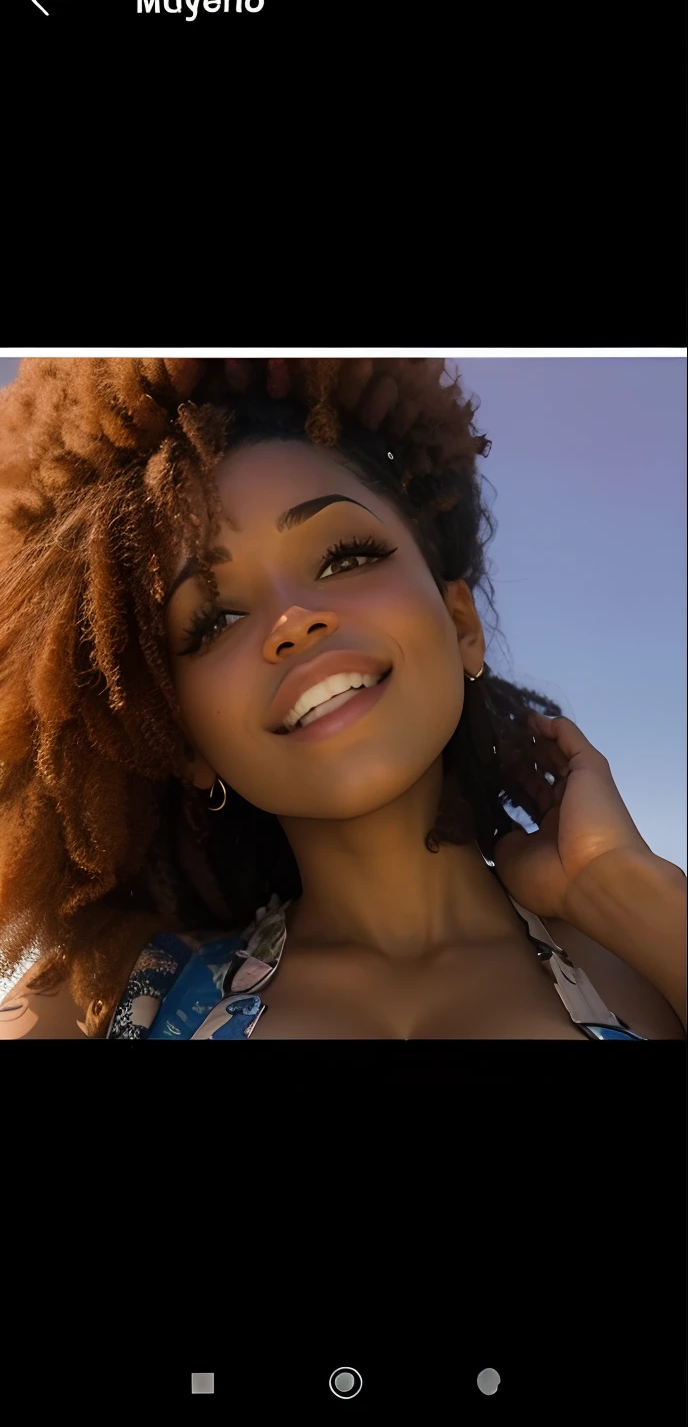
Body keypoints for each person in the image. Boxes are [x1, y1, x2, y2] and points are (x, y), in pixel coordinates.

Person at [0, 357, 684, 1040]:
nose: (293, 621)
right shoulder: (108, 1001)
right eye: (215, 620)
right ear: (185, 743)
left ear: (461, 625)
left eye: (345, 558)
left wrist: (623, 888)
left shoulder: (650, 966)